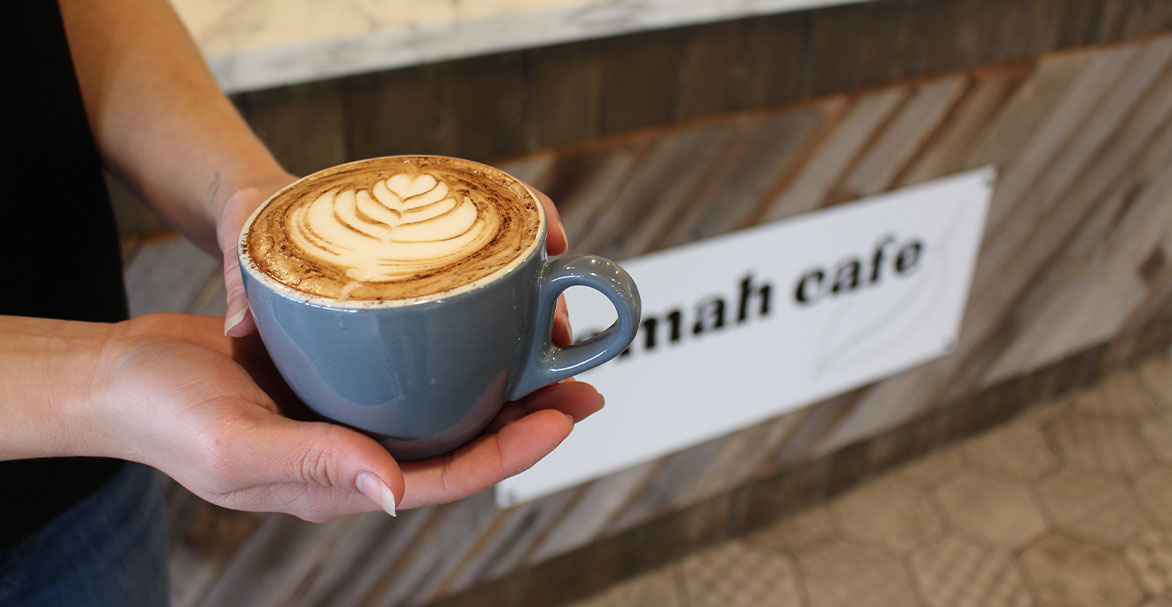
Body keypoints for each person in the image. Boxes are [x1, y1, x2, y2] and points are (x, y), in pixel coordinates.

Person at [0, 1, 600, 605]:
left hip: (91, 483)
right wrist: (100, 385)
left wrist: (250, 195)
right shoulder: (112, 399)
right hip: (101, 426)